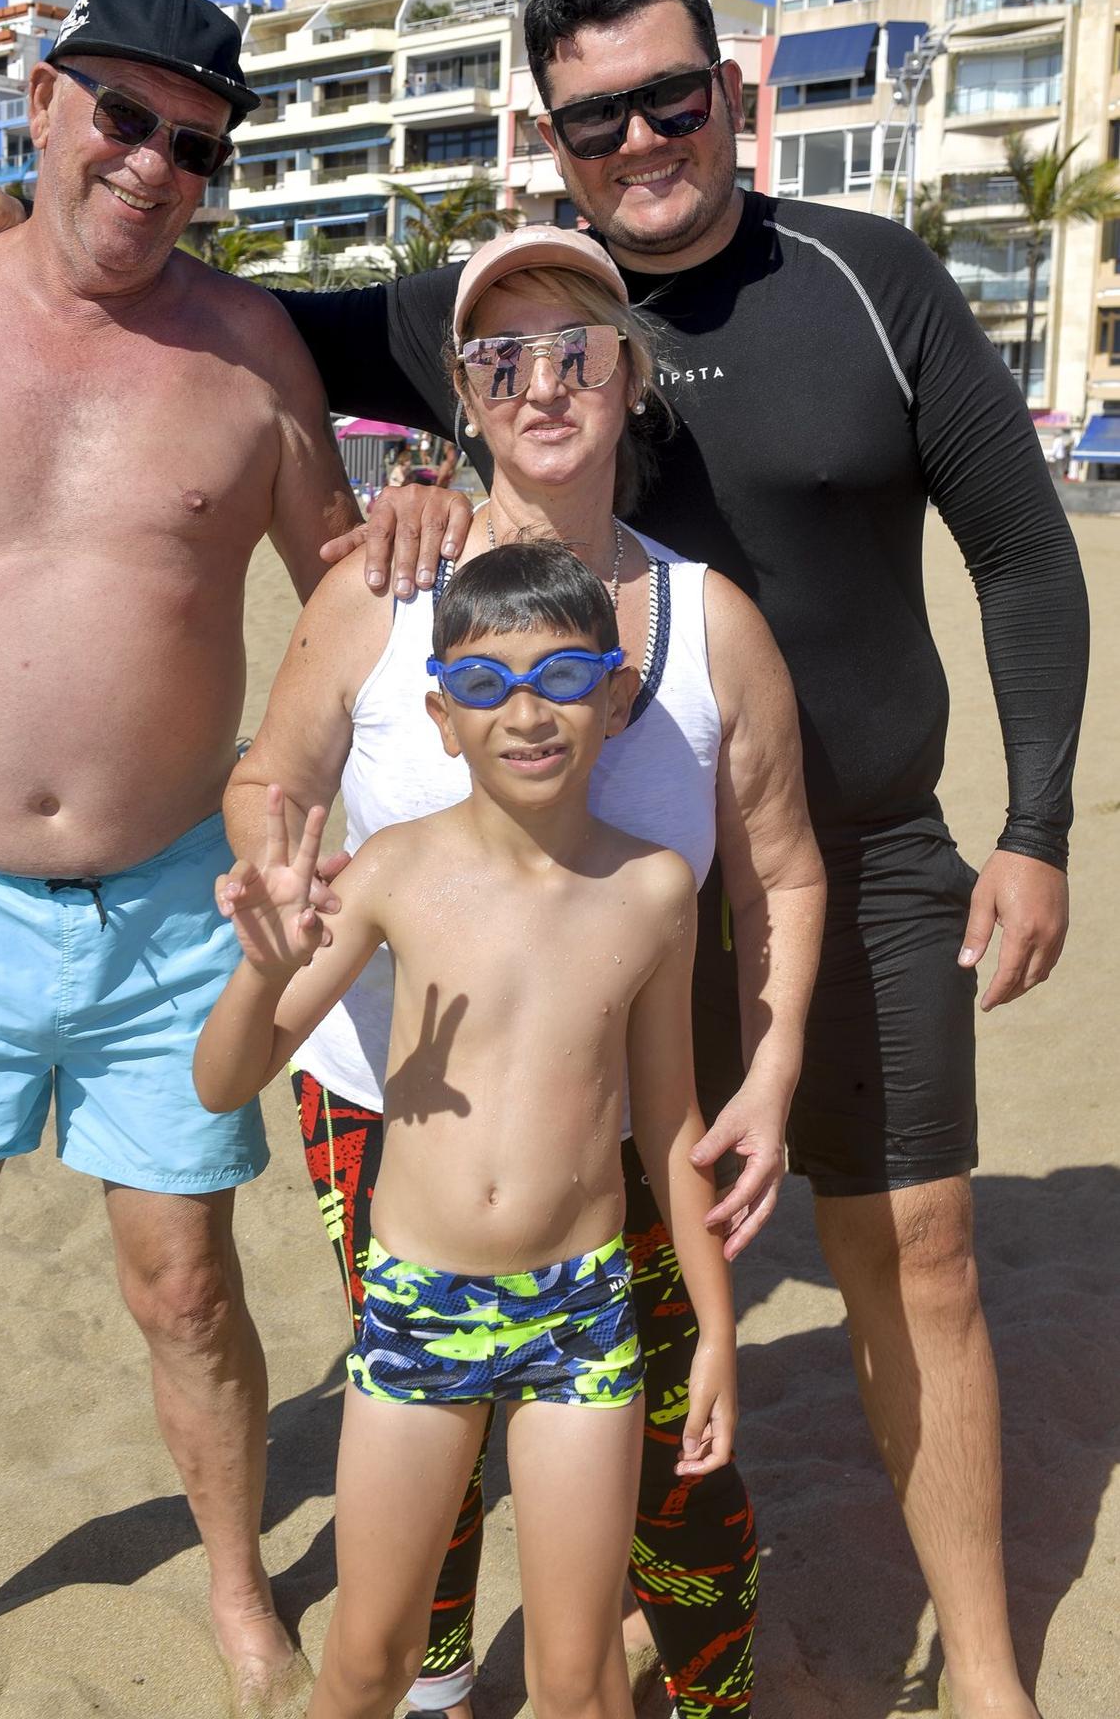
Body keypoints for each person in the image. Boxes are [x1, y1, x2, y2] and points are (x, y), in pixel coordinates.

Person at [0, 0, 1090, 1719]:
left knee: (889, 1260)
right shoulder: (458, 432)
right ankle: (486, 1641)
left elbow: (1012, 556)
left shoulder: (860, 287)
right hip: (531, 960)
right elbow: (230, 304)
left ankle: (969, 1675)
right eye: (594, 115)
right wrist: (27, 212)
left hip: (839, 867)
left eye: (670, 98)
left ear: (728, 94)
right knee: (492, 1336)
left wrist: (1039, 817)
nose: (639, 136)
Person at [0, 0, 362, 1719]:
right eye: (121, 117)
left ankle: (241, 1593)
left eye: (194, 144)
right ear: (41, 107)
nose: (152, 165)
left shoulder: (253, 351)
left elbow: (337, 599)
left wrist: (307, 790)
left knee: (184, 1287)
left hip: (175, 908)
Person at [225, 224, 823, 1718]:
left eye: (576, 350)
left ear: (631, 376)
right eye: (501, 359)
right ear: (460, 396)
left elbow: (784, 872)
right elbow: (270, 780)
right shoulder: (383, 585)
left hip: (617, 1138)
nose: (541, 384)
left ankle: (707, 1695)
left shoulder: (706, 625)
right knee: (412, 1523)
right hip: (387, 1110)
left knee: (671, 1497)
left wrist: (775, 1060)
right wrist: (273, 893)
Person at [194, 543, 740, 1719]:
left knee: (580, 1678)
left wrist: (715, 1329)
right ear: (442, 717)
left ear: (613, 693)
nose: (526, 712)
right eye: (485, 687)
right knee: (366, 1660)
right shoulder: (394, 871)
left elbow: (669, 1118)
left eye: (560, 677)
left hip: (582, 1316)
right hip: (418, 1305)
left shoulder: (652, 890)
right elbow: (219, 1078)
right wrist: (260, 973)